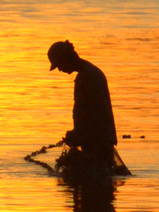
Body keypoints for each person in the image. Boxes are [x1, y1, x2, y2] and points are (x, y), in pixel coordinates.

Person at [47, 40, 122, 171]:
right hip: (98, 143)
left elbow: (95, 116)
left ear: (67, 58)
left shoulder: (87, 77)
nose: (59, 69)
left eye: (59, 64)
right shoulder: (90, 73)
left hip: (97, 145)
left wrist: (78, 135)